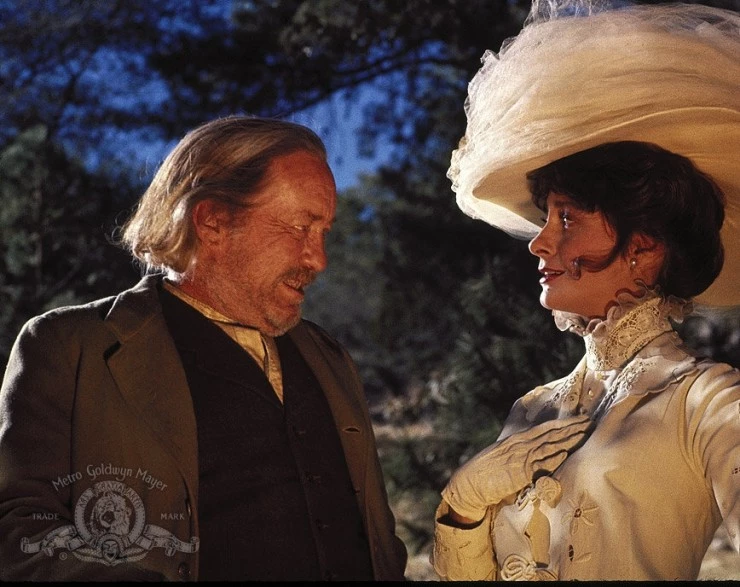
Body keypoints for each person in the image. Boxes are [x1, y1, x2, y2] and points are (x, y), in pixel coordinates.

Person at [0, 115, 408, 581]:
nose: (319, 259)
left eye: (324, 233)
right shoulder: (68, 347)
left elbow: (378, 543)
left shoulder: (329, 357)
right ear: (213, 221)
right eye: (300, 227)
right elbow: (17, 534)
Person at [431, 0, 739, 581]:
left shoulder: (705, 400)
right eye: (544, 217)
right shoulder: (533, 406)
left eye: (567, 218)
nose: (539, 242)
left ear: (645, 247)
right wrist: (462, 510)